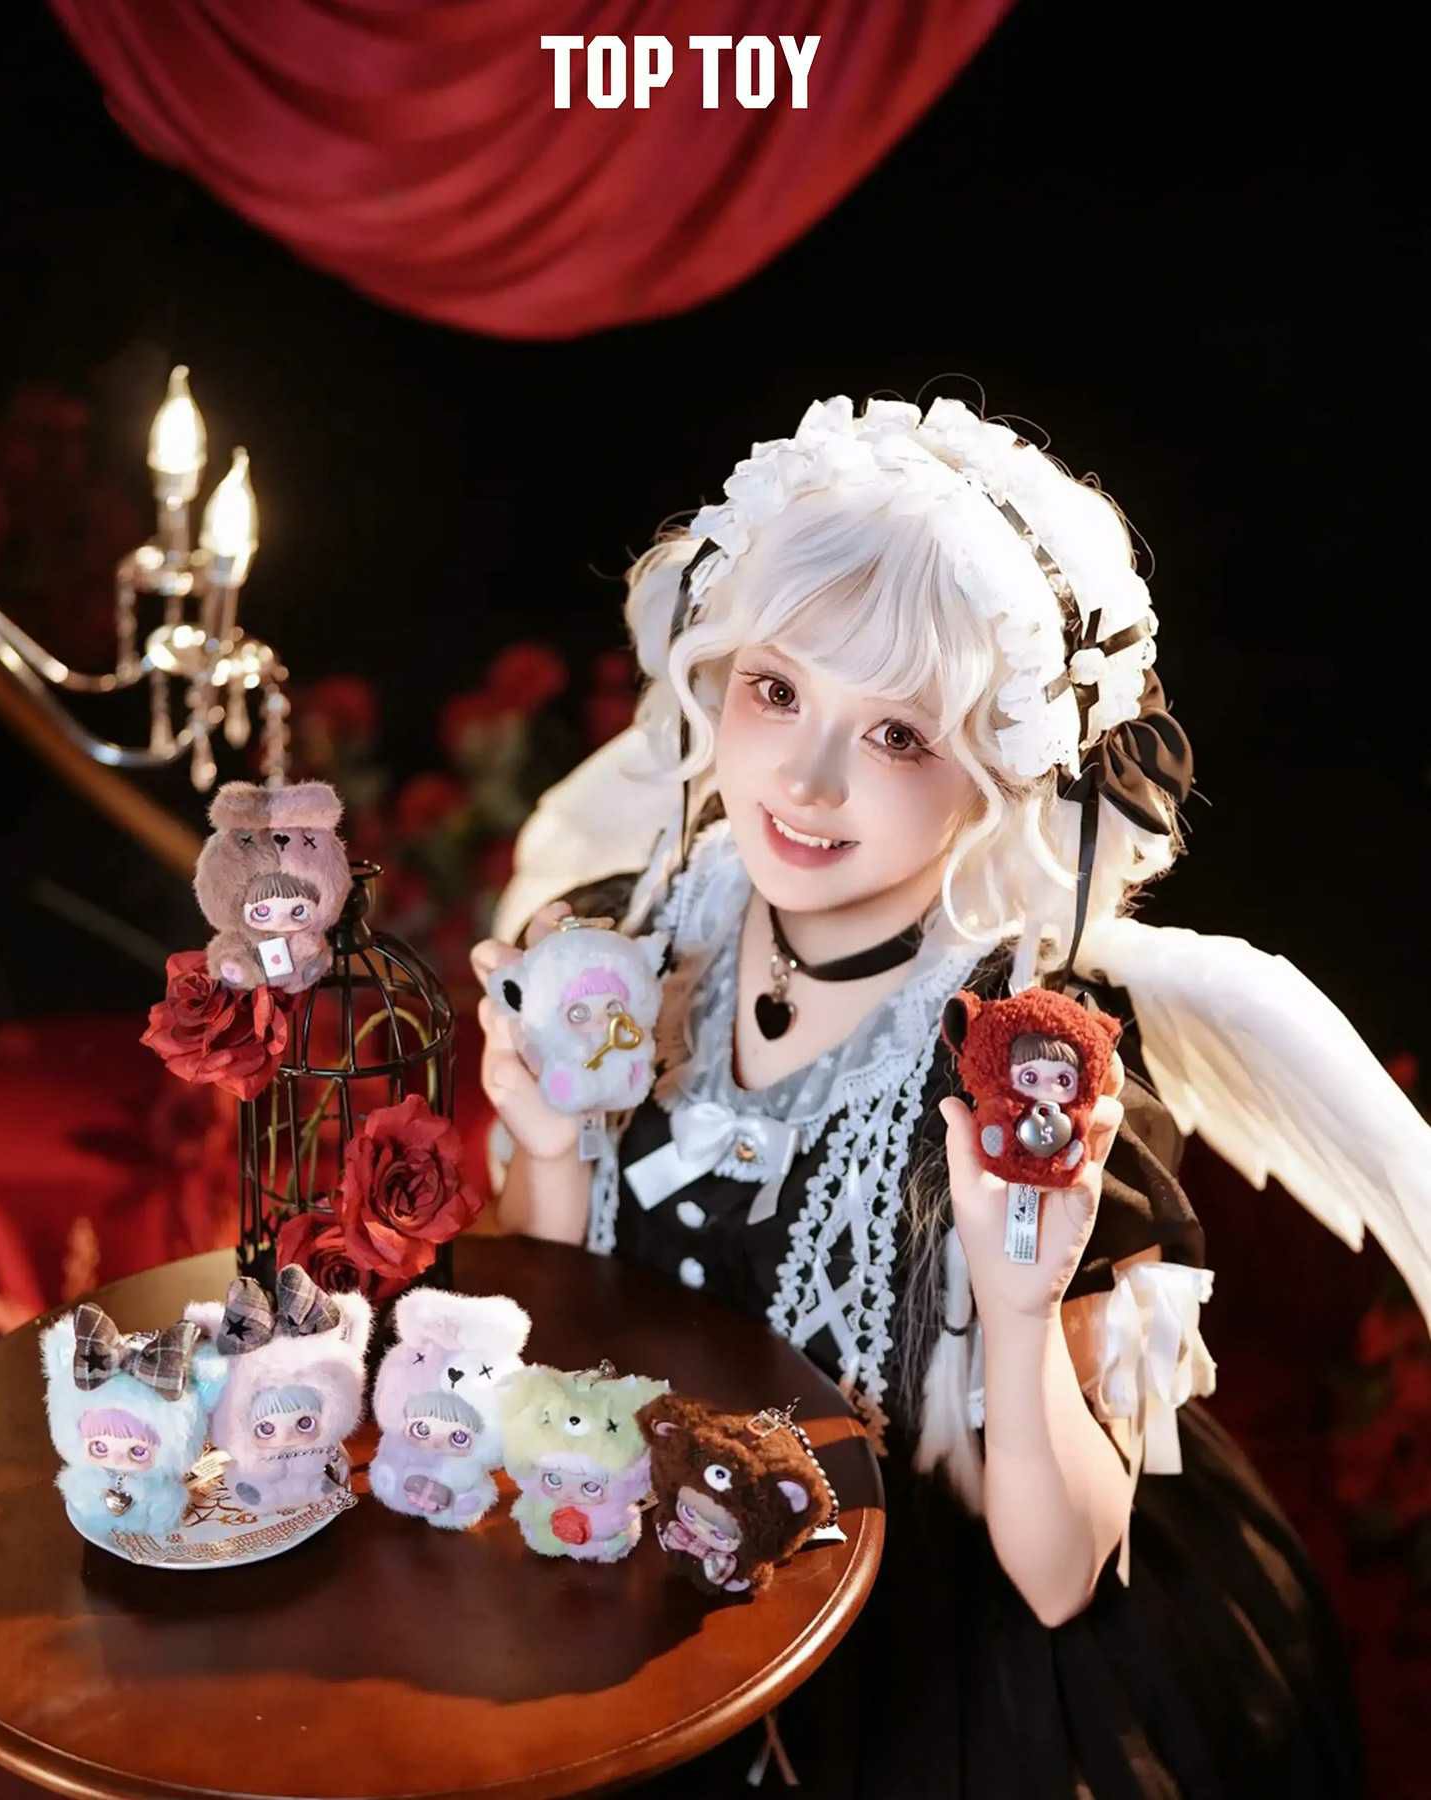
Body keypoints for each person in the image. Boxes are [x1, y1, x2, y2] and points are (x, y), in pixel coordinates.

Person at [472, 393, 1372, 1796]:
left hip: (938, 1656)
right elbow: (550, 1331)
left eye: (899, 735)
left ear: (1005, 768)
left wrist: (1020, 1313)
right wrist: (546, 1152)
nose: (807, 778)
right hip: (644, 1563)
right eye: (777, 690)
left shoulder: (1031, 1069)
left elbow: (1062, 1579)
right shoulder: (631, 931)